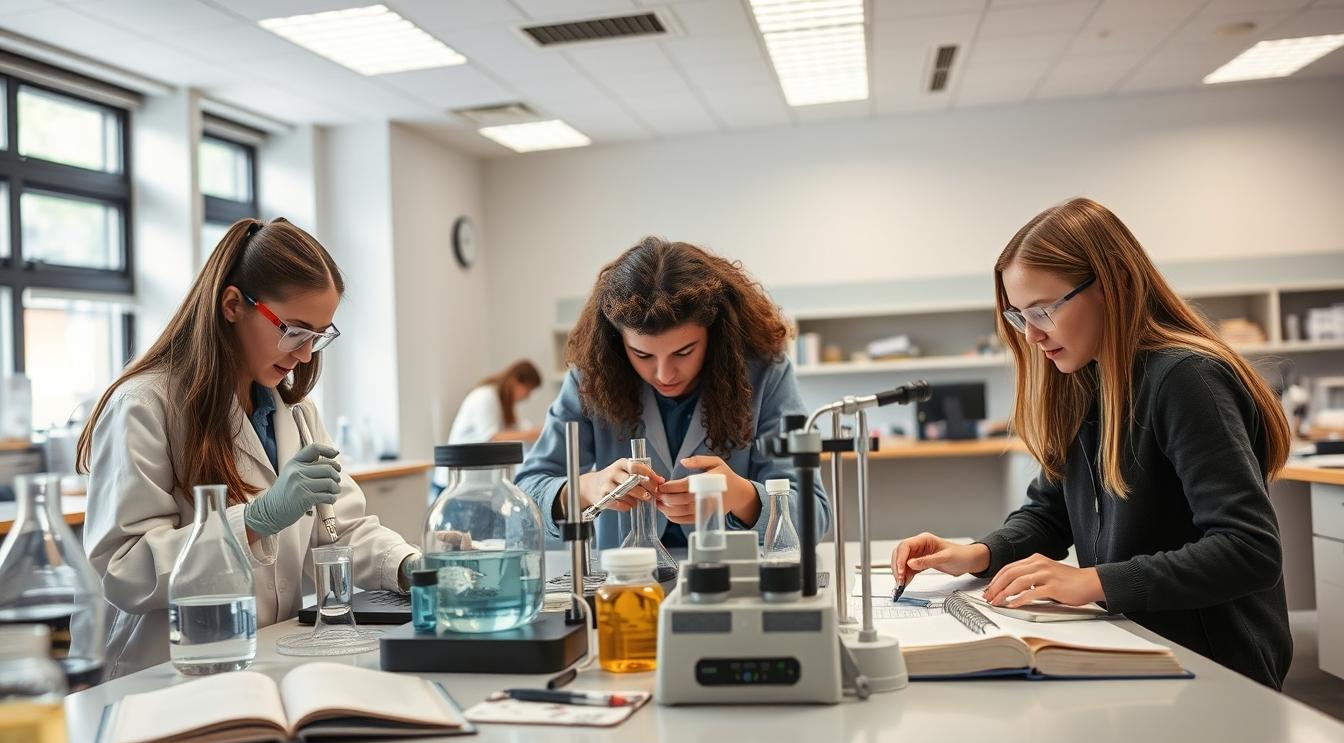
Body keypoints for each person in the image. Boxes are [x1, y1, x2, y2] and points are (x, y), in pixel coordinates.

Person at [890, 198, 1293, 689]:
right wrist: (977, 553)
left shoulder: (1186, 379)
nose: (1033, 334)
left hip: (1213, 664)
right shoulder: (1086, 380)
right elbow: (1049, 512)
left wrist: (1094, 582)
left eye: (1042, 310)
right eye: (1019, 317)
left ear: (1115, 283)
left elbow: (1248, 549)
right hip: (1133, 640)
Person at [77, 218, 419, 678]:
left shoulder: (295, 412)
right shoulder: (145, 405)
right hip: (159, 671)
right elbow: (125, 570)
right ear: (234, 304)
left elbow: (339, 530)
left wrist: (410, 567)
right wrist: (254, 521)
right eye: (295, 331)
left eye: (319, 337)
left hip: (263, 659)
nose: (305, 355)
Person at [515, 236, 831, 551]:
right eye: (643, 355)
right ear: (616, 342)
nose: (664, 374)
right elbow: (523, 501)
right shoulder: (593, 376)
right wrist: (586, 487)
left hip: (734, 583)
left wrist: (741, 497)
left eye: (684, 352)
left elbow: (813, 516)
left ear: (716, 333)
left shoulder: (766, 373)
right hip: (628, 585)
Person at [447, 360, 543, 444]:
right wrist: (530, 434)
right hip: (464, 461)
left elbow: (517, 427)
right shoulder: (485, 396)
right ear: (515, 381)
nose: (527, 396)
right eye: (528, 389)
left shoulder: (502, 402)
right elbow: (492, 437)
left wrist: (533, 432)